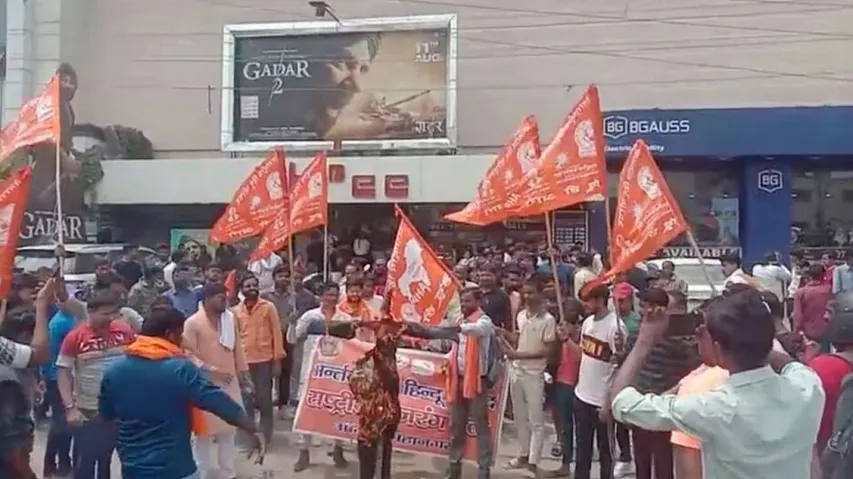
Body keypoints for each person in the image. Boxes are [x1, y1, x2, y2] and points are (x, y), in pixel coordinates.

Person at [611, 287, 825, 479]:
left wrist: (644, 341)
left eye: (701, 332)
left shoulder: (711, 409)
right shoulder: (807, 388)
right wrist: (747, 341)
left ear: (719, 348)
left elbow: (622, 403)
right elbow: (790, 364)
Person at [99, 306, 265, 478]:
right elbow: (217, 400)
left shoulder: (114, 371)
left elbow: (107, 416)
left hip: (134, 470)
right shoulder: (180, 369)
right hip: (177, 470)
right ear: (170, 334)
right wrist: (252, 428)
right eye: (180, 334)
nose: (183, 339)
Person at [408, 287, 496, 479]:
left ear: (478, 302)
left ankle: (484, 470)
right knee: (456, 427)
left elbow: (474, 331)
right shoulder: (460, 322)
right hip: (457, 380)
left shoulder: (484, 322)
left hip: (476, 382)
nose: (464, 305)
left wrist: (454, 328)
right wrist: (423, 332)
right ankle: (454, 468)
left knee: (481, 427)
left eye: (468, 301)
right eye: (462, 301)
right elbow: (449, 341)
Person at [57, 289, 136, 479]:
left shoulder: (124, 331)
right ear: (90, 312)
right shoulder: (75, 337)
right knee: (86, 460)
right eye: (105, 314)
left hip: (122, 409)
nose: (110, 318)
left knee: (116, 459)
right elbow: (63, 372)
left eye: (113, 313)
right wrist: (70, 408)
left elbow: (137, 362)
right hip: (90, 410)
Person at [622, 289, 700, 479]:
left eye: (646, 305)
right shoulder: (637, 334)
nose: (642, 310)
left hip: (663, 406)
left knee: (663, 462)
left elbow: (691, 367)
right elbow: (630, 363)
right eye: (641, 305)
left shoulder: (679, 339)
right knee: (642, 461)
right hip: (639, 403)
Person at [183, 282, 252, 479]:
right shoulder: (193, 323)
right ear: (207, 299)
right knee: (202, 434)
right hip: (202, 384)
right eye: (221, 298)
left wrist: (244, 374)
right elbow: (188, 354)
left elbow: (238, 348)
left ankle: (227, 473)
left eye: (226, 297)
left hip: (229, 382)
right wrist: (212, 370)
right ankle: (201, 473)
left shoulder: (230, 319)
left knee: (228, 430)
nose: (226, 301)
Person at [500, 277, 558, 478]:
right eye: (525, 292)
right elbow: (519, 339)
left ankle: (533, 462)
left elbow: (546, 351)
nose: (527, 296)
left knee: (537, 421)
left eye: (531, 292)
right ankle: (523, 455)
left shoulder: (548, 320)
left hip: (534, 374)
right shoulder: (522, 315)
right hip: (517, 371)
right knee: (520, 418)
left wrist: (518, 355)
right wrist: (505, 335)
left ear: (541, 294)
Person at [292, 282, 349, 472]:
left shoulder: (345, 318)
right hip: (311, 371)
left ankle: (338, 449)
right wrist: (293, 323)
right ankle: (303, 452)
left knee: (338, 410)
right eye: (328, 294)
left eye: (335, 294)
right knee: (305, 411)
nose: (332, 298)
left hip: (336, 373)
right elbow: (293, 339)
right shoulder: (310, 317)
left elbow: (352, 343)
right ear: (321, 295)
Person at [574, 284, 626, 479]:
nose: (584, 304)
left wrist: (608, 402)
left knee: (606, 454)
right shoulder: (587, 323)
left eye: (587, 300)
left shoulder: (615, 327)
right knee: (582, 452)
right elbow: (584, 355)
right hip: (582, 396)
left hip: (602, 402)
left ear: (600, 300)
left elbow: (619, 366)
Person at [232, 273, 284, 445]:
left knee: (264, 400)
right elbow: (235, 338)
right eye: (248, 286)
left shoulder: (268, 307)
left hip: (264, 360)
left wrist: (277, 360)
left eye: (254, 285)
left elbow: (277, 333)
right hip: (244, 362)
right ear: (242, 290)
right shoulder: (235, 311)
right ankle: (250, 435)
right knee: (246, 400)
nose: (252, 288)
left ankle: (265, 435)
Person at [262, 265, 318, 417]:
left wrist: (295, 318)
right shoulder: (265, 296)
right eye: (280, 276)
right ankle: (264, 405)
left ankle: (283, 405)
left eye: (287, 276)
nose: (284, 279)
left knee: (286, 371)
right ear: (274, 278)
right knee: (267, 372)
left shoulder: (294, 296)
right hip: (268, 338)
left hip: (286, 337)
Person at [42, 299, 84, 478]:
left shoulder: (66, 320)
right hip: (56, 377)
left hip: (62, 375)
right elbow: (50, 352)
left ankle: (57, 463)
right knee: (62, 423)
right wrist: (45, 375)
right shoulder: (60, 323)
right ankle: (58, 463)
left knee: (61, 423)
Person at [0, 305, 41, 479]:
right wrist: (26, 473)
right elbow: (9, 438)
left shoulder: (19, 372)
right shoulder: (8, 379)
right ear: (24, 337)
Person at [546, 300, 582, 478]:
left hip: (579, 384)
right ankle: (565, 463)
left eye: (572, 323)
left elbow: (580, 354)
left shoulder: (584, 333)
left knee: (581, 428)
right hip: (561, 381)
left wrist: (568, 338)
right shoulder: (559, 334)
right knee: (565, 425)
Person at [794, 264, 834, 353]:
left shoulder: (801, 292)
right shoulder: (829, 290)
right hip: (826, 330)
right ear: (823, 275)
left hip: (808, 332)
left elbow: (797, 315)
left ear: (809, 275)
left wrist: (796, 332)